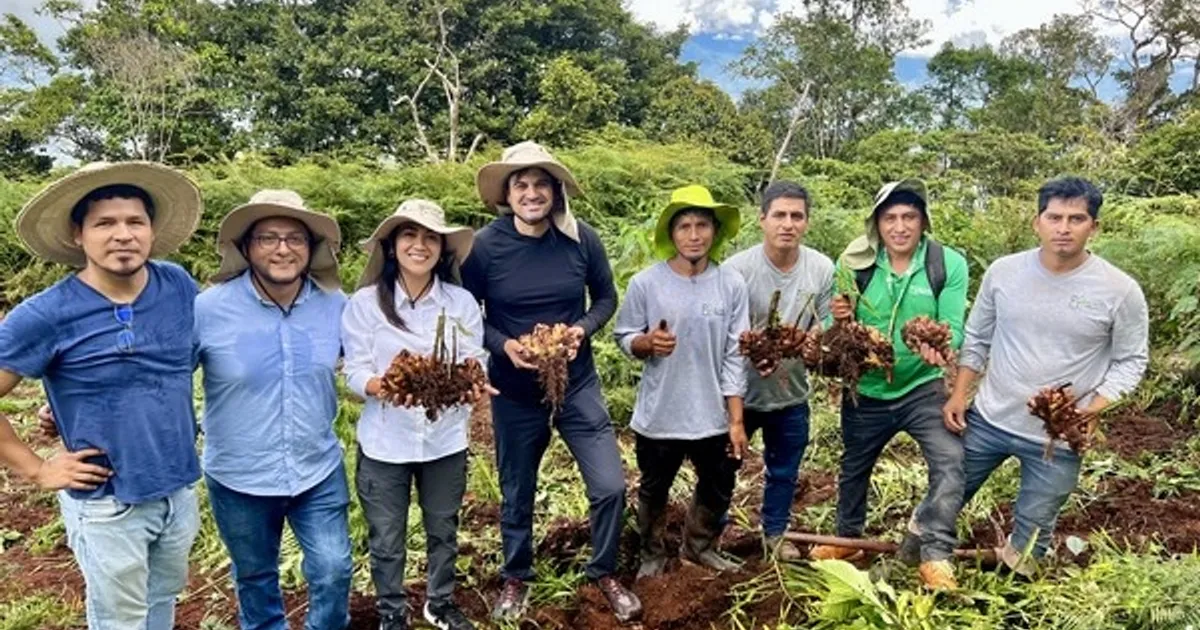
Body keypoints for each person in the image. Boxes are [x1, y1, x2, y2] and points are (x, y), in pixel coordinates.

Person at [0, 162, 204, 629]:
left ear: (152, 230)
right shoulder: (46, 314)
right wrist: (36, 469)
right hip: (107, 501)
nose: (123, 235)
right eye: (105, 223)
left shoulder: (177, 286)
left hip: (177, 487)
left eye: (135, 221)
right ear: (78, 235)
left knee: (161, 606)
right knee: (119, 621)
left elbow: (179, 365)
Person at [460, 141, 641, 623]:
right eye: (522, 184)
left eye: (542, 183)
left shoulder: (582, 239)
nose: (532, 192)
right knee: (517, 492)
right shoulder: (484, 246)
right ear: (507, 194)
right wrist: (504, 346)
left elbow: (605, 298)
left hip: (577, 384)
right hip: (517, 393)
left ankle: (603, 570)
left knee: (610, 486)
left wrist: (580, 330)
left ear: (556, 192)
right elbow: (464, 315)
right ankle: (516, 577)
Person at [944, 176, 1149, 576]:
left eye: (1076, 219)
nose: (1064, 228)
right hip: (989, 418)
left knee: (1036, 523)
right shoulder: (1003, 273)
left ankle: (1011, 594)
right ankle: (914, 559)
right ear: (1037, 222)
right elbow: (977, 337)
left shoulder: (1119, 290)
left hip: (1058, 436)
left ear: (1095, 227)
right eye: (1054, 217)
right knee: (944, 495)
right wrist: (959, 394)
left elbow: (1131, 360)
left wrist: (1091, 410)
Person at [196, 189, 353, 630]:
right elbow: (162, 379)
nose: (283, 249)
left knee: (333, 568)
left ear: (311, 248)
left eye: (295, 238)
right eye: (268, 237)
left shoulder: (337, 306)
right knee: (256, 576)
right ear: (246, 247)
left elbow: (377, 359)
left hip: (315, 468)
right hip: (238, 475)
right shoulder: (207, 310)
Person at [809, 179, 970, 590]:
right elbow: (835, 330)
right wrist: (840, 319)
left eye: (909, 218)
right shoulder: (855, 262)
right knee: (853, 468)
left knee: (951, 462)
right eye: (890, 218)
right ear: (877, 224)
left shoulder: (946, 264)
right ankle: (848, 540)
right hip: (869, 387)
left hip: (922, 385)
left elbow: (951, 327)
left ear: (923, 222)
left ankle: (935, 555)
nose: (900, 227)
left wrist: (938, 345)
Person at [341, 199, 488, 630]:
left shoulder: (460, 303)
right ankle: (391, 612)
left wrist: (473, 381)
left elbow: (474, 358)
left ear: (442, 250)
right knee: (386, 537)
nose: (419, 245)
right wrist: (382, 387)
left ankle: (438, 604)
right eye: (409, 235)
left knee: (443, 528)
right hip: (385, 441)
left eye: (430, 238)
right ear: (391, 247)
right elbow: (354, 370)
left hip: (445, 439)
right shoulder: (366, 303)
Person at [614, 185, 750, 578]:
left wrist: (736, 420)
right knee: (654, 488)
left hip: (712, 414)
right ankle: (652, 554)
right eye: (684, 226)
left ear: (714, 231)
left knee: (719, 482)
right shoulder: (646, 283)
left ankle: (700, 547)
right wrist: (645, 343)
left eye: (702, 225)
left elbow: (734, 355)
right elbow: (623, 335)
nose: (694, 235)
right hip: (661, 412)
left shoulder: (731, 285)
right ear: (672, 234)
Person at [725, 180, 834, 561]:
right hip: (740, 391)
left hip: (791, 392)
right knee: (724, 467)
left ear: (806, 222)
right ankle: (712, 533)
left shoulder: (821, 268)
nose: (788, 224)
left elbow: (826, 321)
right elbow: (725, 331)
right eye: (780, 215)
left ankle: (774, 533)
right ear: (763, 219)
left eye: (797, 216)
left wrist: (810, 339)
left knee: (784, 470)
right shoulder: (736, 270)